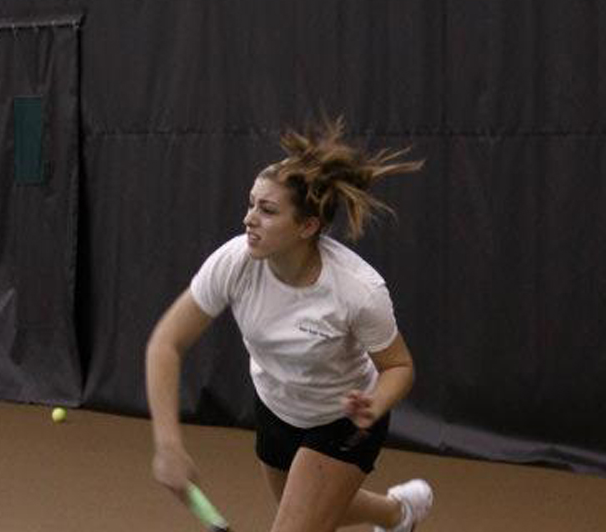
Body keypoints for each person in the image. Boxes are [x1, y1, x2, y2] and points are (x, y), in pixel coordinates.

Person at [145, 117, 433, 532]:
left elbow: (399, 366)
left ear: (307, 226)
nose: (249, 219)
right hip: (276, 408)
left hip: (343, 422)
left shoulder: (357, 290)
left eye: (267, 210)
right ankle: (397, 513)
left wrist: (374, 404)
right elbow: (166, 343)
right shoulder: (234, 262)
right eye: (251, 204)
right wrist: (168, 445)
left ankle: (393, 513)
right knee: (306, 508)